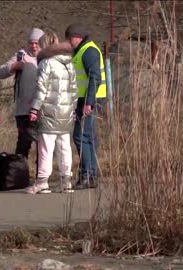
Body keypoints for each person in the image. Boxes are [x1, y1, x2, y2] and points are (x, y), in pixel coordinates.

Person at [25, 32, 78, 194]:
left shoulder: (46, 63)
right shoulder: (69, 63)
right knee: (64, 147)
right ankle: (66, 182)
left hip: (49, 112)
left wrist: (34, 109)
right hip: (66, 112)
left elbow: (41, 89)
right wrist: (73, 109)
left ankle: (42, 182)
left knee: (46, 148)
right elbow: (74, 90)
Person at [65, 23, 107, 189]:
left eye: (69, 38)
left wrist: (88, 103)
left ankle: (87, 175)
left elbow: (94, 77)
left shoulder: (88, 51)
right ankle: (91, 175)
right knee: (88, 137)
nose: (68, 42)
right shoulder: (83, 50)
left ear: (76, 37)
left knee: (81, 136)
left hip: (90, 100)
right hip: (86, 99)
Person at [0, 28, 45, 159]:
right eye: (31, 43)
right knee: (23, 143)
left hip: (43, 108)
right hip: (23, 109)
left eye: (36, 43)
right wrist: (13, 67)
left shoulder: (47, 57)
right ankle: (20, 172)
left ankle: (41, 176)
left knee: (43, 145)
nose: (33, 46)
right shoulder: (21, 55)